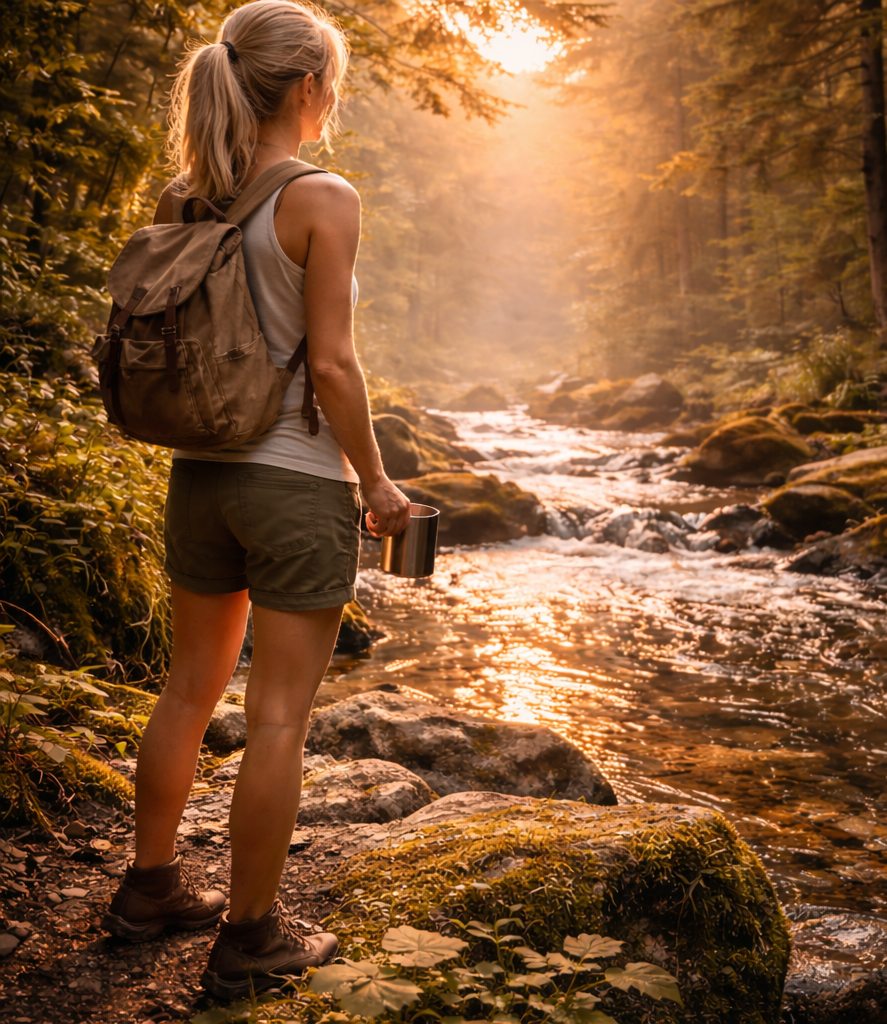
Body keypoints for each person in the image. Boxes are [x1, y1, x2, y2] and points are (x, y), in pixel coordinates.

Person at [100, 0, 411, 999]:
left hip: (200, 474)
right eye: (335, 83)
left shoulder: (187, 195)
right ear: (310, 86)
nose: (334, 97)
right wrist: (377, 479)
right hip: (293, 483)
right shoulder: (323, 198)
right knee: (277, 720)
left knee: (188, 690)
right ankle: (250, 937)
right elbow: (333, 364)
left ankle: (149, 887)